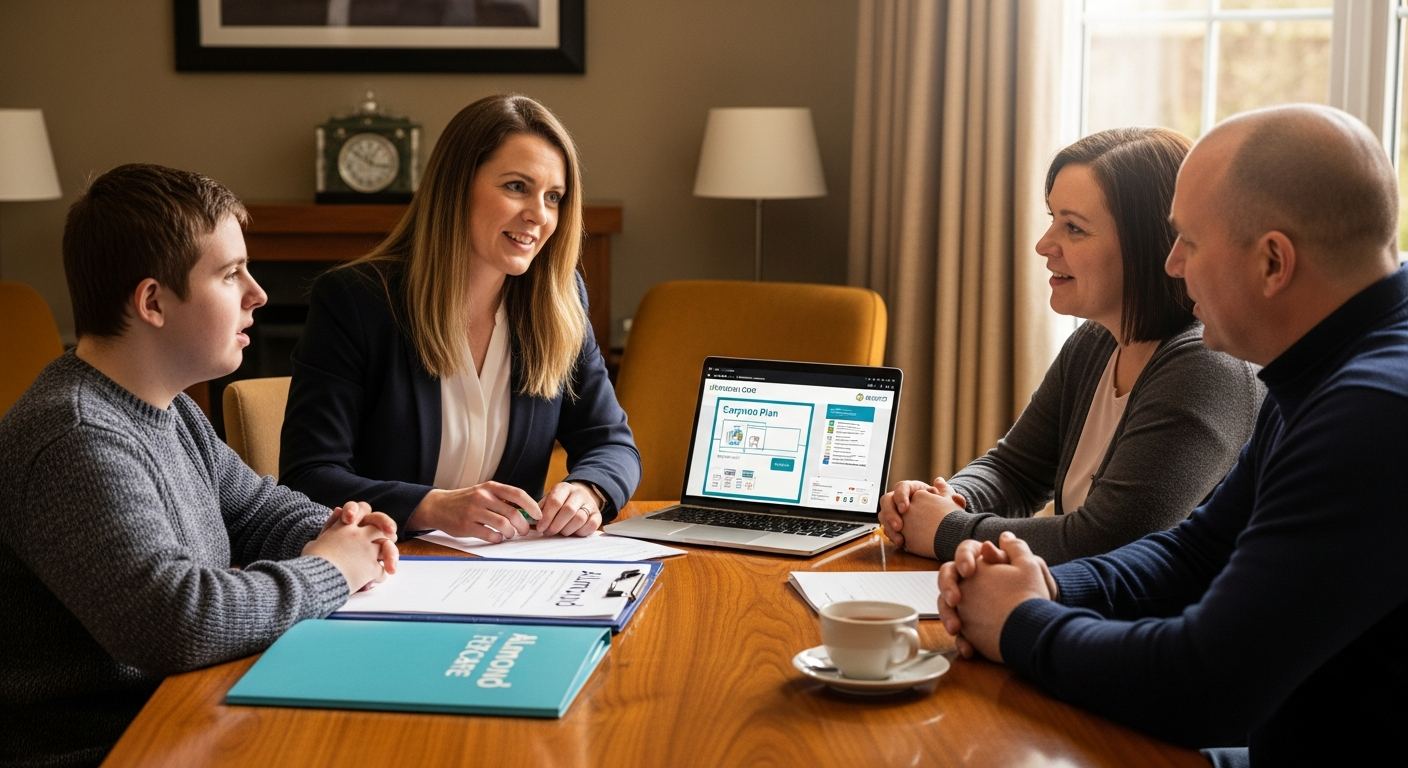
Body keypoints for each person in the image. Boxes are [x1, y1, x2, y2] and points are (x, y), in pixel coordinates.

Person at [936, 104, 1408, 765]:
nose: (1173, 265)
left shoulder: (1372, 411)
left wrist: (1018, 621)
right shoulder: (1323, 363)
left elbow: (1204, 683)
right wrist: (1043, 583)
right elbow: (1195, 552)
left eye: (1188, 240)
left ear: (1273, 261)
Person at [0, 164, 398, 768]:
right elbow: (177, 621)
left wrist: (336, 529)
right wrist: (330, 571)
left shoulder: (170, 409)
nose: (257, 293)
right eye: (230, 273)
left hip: (185, 713)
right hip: (106, 747)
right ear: (153, 302)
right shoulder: (74, 436)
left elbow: (256, 508)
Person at [879, 127, 1263, 565]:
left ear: (1149, 244)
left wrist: (947, 529)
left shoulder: (1206, 367)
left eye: (1074, 228)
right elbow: (1015, 471)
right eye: (1052, 219)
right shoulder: (1097, 340)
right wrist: (950, 498)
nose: (1044, 245)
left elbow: (1107, 541)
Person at [280, 94, 640, 543]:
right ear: (456, 186)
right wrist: (433, 506)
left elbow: (611, 443)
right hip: (387, 564)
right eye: (516, 187)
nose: (539, 215)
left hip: (512, 572)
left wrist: (588, 490)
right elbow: (308, 476)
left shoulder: (559, 303)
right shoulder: (357, 301)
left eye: (554, 197)